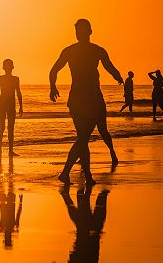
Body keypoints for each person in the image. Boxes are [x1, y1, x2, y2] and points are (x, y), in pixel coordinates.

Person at [50, 19, 123, 185]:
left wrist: (52, 86)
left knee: (83, 137)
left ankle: (87, 176)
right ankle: (69, 173)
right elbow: (54, 70)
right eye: (78, 32)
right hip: (86, 98)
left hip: (85, 98)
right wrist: (52, 86)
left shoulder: (89, 51)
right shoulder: (89, 51)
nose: (80, 34)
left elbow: (110, 67)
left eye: (81, 31)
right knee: (83, 137)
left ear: (90, 32)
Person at [0, 59, 23, 156]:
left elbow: (18, 93)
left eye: (9, 66)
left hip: (11, 104)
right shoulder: (0, 78)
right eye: (6, 66)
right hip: (3, 104)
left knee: (11, 128)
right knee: (1, 127)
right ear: (3, 67)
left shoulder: (15, 79)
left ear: (12, 67)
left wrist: (21, 106)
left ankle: (10, 151)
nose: (8, 68)